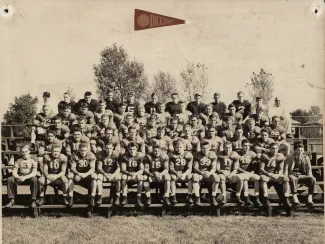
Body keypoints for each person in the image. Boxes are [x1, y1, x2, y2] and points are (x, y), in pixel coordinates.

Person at [259, 143, 291, 207]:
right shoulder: (264, 156)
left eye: (276, 148)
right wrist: (268, 174)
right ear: (269, 149)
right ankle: (266, 197)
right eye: (273, 148)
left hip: (274, 175)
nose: (275, 150)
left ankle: (286, 197)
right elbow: (261, 169)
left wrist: (278, 175)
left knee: (286, 179)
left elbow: (280, 169)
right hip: (266, 174)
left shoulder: (279, 156)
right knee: (263, 179)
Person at [192, 141, 219, 206]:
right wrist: (201, 173)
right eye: (203, 148)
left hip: (208, 174)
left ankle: (213, 197)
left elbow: (213, 168)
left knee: (217, 178)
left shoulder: (213, 154)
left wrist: (209, 173)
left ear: (209, 148)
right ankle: (198, 198)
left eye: (207, 148)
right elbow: (195, 168)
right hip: (200, 174)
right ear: (201, 148)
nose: (205, 150)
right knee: (195, 177)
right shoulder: (196, 154)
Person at [237, 140, 262, 206]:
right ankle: (246, 197)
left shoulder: (252, 153)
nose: (247, 147)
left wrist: (253, 171)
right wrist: (244, 171)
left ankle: (257, 197)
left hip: (250, 173)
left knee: (257, 178)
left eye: (248, 145)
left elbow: (256, 164)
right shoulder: (238, 154)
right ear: (241, 146)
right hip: (240, 173)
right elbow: (236, 167)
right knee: (245, 179)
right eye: (245, 145)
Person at [120, 142, 145, 207]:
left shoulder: (140, 156)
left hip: (136, 175)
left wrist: (135, 174)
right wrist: (129, 173)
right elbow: (123, 169)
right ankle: (124, 197)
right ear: (128, 149)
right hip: (128, 175)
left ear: (136, 149)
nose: (132, 151)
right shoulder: (124, 156)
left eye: (134, 149)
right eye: (130, 149)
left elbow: (141, 169)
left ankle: (138, 198)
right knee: (123, 177)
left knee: (140, 177)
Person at [169, 139, 193, 205]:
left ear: (184, 147)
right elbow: (171, 168)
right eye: (177, 147)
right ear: (175, 147)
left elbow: (189, 168)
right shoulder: (171, 154)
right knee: (172, 178)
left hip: (184, 173)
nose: (179, 149)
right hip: (175, 173)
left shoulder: (188, 154)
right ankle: (173, 196)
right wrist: (177, 173)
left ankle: (189, 196)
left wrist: (184, 174)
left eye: (180, 147)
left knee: (190, 177)